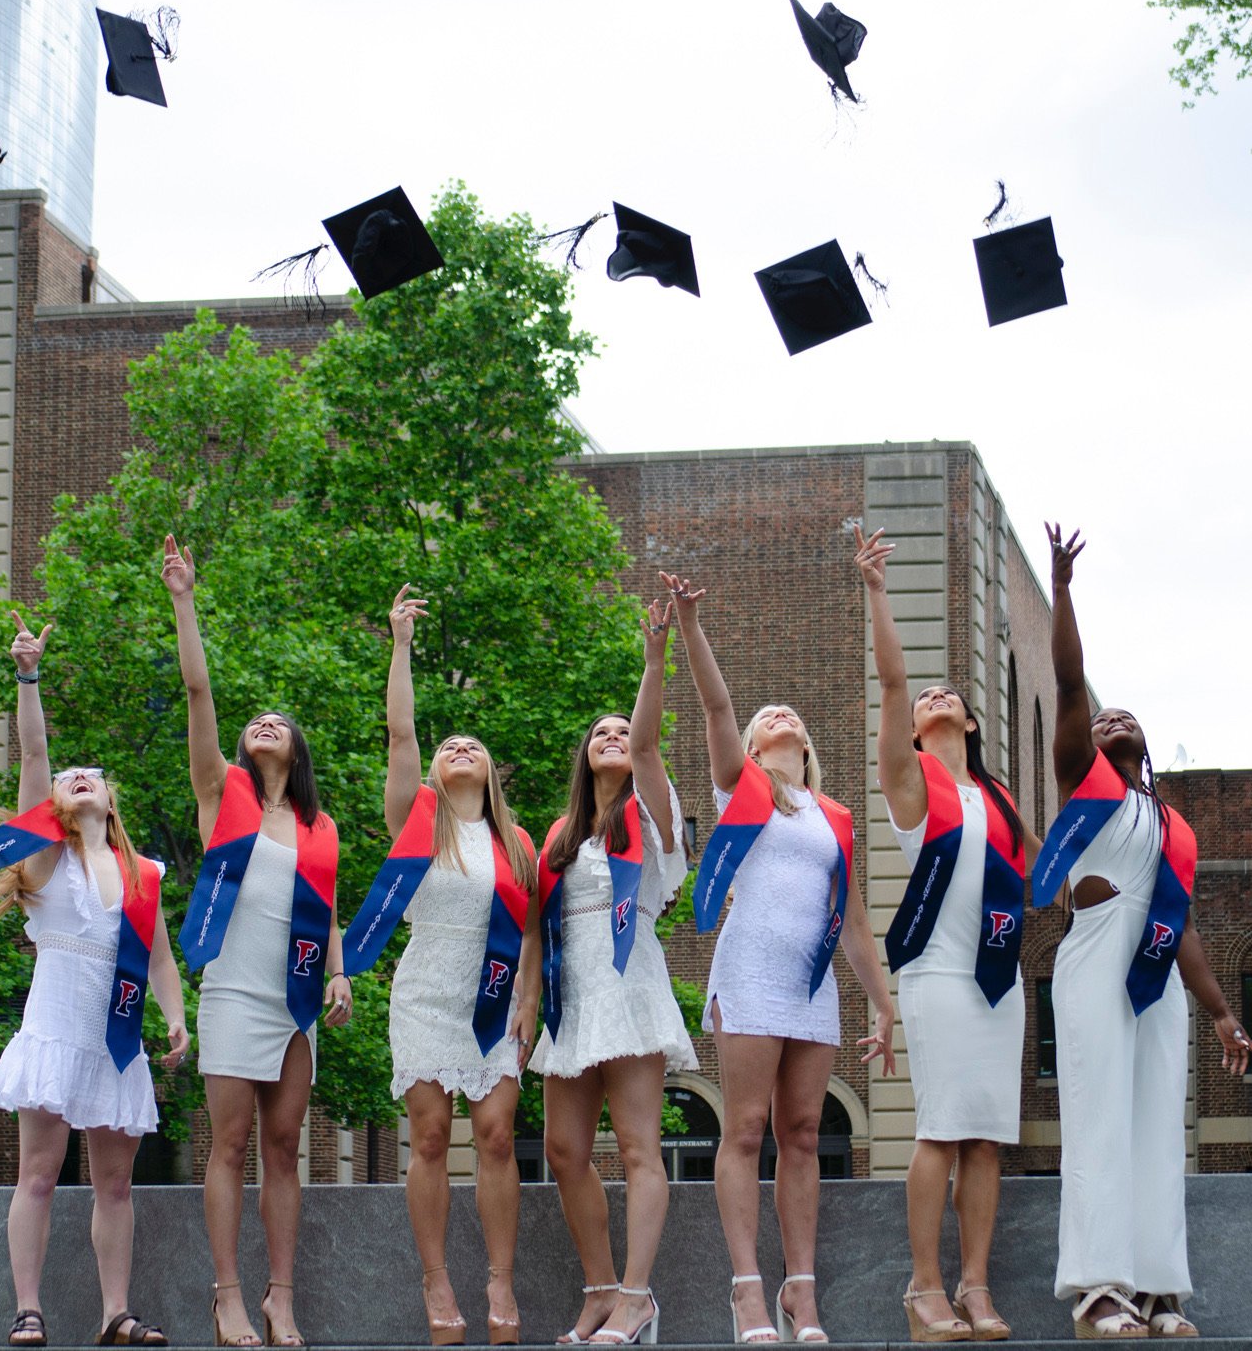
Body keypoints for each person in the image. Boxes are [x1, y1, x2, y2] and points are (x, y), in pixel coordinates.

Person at [1034, 525, 1252, 1340]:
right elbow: (1068, 684)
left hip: (1158, 978)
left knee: (1158, 1128)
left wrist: (1223, 1011)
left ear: (1150, 753)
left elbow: (1183, 926)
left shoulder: (1171, 824)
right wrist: (1062, 590)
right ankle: (1099, 1289)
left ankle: (1159, 1288)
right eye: (1104, 719)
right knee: (1098, 1120)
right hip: (1095, 959)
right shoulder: (1085, 784)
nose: (1112, 717)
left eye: (1127, 717)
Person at [668, 570, 898, 1346]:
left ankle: (804, 1292)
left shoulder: (835, 815)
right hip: (751, 971)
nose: (777, 713)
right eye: (767, 714)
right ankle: (747, 1292)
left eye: (787, 713)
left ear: (804, 741)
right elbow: (716, 706)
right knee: (745, 1128)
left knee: (803, 1131)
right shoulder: (743, 789)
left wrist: (885, 1004)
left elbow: (856, 924)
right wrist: (693, 626)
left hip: (812, 983)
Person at [0, 613, 189, 1349]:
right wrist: (28, 675)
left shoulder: (144, 873)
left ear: (112, 802)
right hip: (57, 1033)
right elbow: (33, 750)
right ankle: (28, 1309)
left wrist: (176, 1016)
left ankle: (114, 1314)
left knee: (115, 1184)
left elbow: (157, 956)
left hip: (115, 1041)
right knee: (37, 1173)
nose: (77, 775)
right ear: (55, 803)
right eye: (68, 776)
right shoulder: (44, 862)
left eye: (90, 774)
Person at [161, 535, 352, 1348]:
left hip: (298, 997)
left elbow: (329, 911)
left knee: (285, 1146)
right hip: (236, 989)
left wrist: (340, 976)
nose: (264, 723)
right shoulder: (223, 800)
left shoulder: (320, 827)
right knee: (230, 1142)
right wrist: (184, 601)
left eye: (280, 722)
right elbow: (200, 692)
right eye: (255, 722)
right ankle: (227, 1294)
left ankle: (281, 1295)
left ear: (297, 750)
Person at [341, 584, 541, 1347]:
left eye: (474, 747)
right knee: (429, 1137)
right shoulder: (417, 825)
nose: (460, 749)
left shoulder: (516, 844)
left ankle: (498, 1280)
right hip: (425, 990)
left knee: (495, 1133)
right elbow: (399, 738)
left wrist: (527, 997)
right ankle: (436, 1282)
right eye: (450, 745)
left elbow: (527, 935)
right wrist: (399, 644)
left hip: (493, 1000)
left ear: (490, 773)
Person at [855, 527, 1037, 1343]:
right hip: (935, 974)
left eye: (946, 695)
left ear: (968, 717)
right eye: (925, 700)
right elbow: (892, 683)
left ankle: (976, 1284)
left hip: (998, 978)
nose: (932, 699)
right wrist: (878, 593)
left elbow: (1039, 875)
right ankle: (924, 1285)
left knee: (989, 1136)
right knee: (939, 1126)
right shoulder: (913, 783)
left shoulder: (1000, 803)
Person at [530, 599, 696, 1346]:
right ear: (582, 755)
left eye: (622, 731)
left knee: (636, 1148)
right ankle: (599, 1288)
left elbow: (653, 741)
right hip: (573, 996)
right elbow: (539, 926)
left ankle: (637, 1299)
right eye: (601, 733)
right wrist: (528, 1001)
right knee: (564, 1150)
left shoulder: (653, 816)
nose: (615, 737)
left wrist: (654, 659)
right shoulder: (560, 835)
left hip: (629, 985)